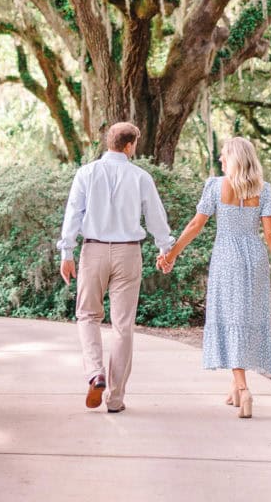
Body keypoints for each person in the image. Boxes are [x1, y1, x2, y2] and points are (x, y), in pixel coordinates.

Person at [157, 135, 271, 418]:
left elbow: (196, 224)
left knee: (231, 318)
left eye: (224, 156)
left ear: (233, 159)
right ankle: (234, 389)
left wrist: (173, 253)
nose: (220, 160)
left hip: (227, 258)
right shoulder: (263, 190)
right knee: (243, 318)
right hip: (254, 258)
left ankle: (243, 390)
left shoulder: (216, 186)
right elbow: (270, 234)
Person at [57, 121, 174, 413]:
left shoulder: (86, 173)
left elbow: (74, 213)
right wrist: (164, 249)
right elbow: (156, 217)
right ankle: (116, 398)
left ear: (109, 142)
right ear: (130, 145)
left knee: (87, 315)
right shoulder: (141, 177)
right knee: (122, 326)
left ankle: (95, 372)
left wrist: (67, 252)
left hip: (93, 250)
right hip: (128, 254)